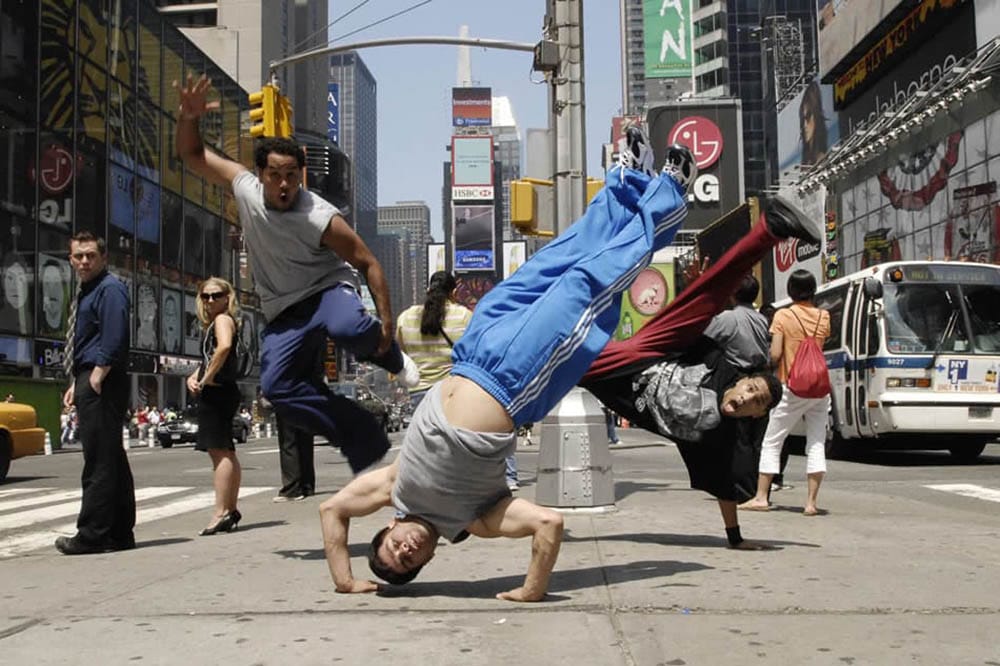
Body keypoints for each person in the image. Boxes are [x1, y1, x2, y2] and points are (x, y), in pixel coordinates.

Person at [318, 126, 699, 601]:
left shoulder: (396, 488)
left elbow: (332, 511)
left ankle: (629, 185)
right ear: (431, 559)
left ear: (390, 526)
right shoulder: (478, 519)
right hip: (516, 378)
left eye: (395, 546)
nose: (408, 547)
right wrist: (531, 590)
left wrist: (344, 578)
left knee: (560, 258)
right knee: (588, 282)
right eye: (410, 559)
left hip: (477, 345)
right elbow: (548, 524)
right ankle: (668, 198)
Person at [175, 74, 419, 475]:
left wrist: (387, 328)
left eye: (292, 176)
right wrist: (188, 117)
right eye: (275, 176)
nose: (284, 185)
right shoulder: (243, 188)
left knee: (347, 326)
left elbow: (368, 263)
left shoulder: (318, 215)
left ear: (301, 176)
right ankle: (362, 434)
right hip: (284, 308)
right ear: (260, 175)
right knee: (278, 388)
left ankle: (390, 357)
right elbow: (193, 155)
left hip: (326, 290)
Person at [582, 197, 820, 550]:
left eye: (756, 404)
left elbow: (724, 485)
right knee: (705, 295)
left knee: (532, 384)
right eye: (752, 389)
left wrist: (735, 538)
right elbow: (701, 309)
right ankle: (771, 228)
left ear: (756, 416)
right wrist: (699, 288)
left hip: (608, 381)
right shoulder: (722, 368)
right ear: (743, 379)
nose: (748, 398)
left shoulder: (720, 435)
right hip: (646, 355)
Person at [56, 231, 136, 555]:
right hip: (91, 375)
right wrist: (78, 381)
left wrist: (98, 374)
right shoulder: (87, 290)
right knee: (111, 457)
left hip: (103, 377)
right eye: (79, 256)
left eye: (90, 255)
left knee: (99, 460)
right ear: (71, 259)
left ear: (103, 257)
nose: (84, 261)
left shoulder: (110, 288)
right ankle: (119, 532)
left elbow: (114, 335)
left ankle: (91, 534)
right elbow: (88, 338)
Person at [740, 270, 832, 516]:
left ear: (791, 291)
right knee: (816, 442)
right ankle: (811, 503)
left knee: (772, 441)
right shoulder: (824, 316)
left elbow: (776, 354)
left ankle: (761, 497)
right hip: (819, 388)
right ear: (813, 290)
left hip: (791, 386)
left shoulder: (783, 315)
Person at [187, 277, 244, 535]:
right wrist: (196, 374)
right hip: (224, 391)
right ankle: (229, 509)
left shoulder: (222, 320)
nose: (210, 300)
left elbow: (223, 348)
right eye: (205, 296)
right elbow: (213, 355)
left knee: (219, 452)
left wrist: (207, 378)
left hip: (218, 392)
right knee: (227, 451)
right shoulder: (218, 322)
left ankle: (221, 511)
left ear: (227, 297)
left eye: (216, 295)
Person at [799, 80, 829, 166]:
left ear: (816, 117)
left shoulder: (822, 159)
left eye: (808, 118)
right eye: (802, 120)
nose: (804, 126)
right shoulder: (806, 159)